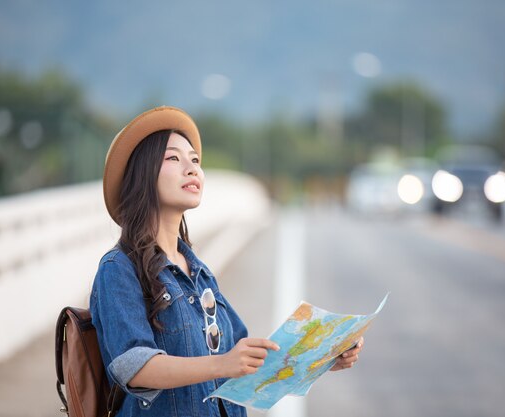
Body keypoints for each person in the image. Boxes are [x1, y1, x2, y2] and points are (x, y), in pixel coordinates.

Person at [90, 106, 364, 417]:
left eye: (195, 160)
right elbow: (133, 367)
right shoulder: (119, 268)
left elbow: (244, 364)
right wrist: (221, 364)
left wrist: (322, 357)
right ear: (141, 175)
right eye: (173, 158)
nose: (192, 168)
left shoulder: (198, 272)